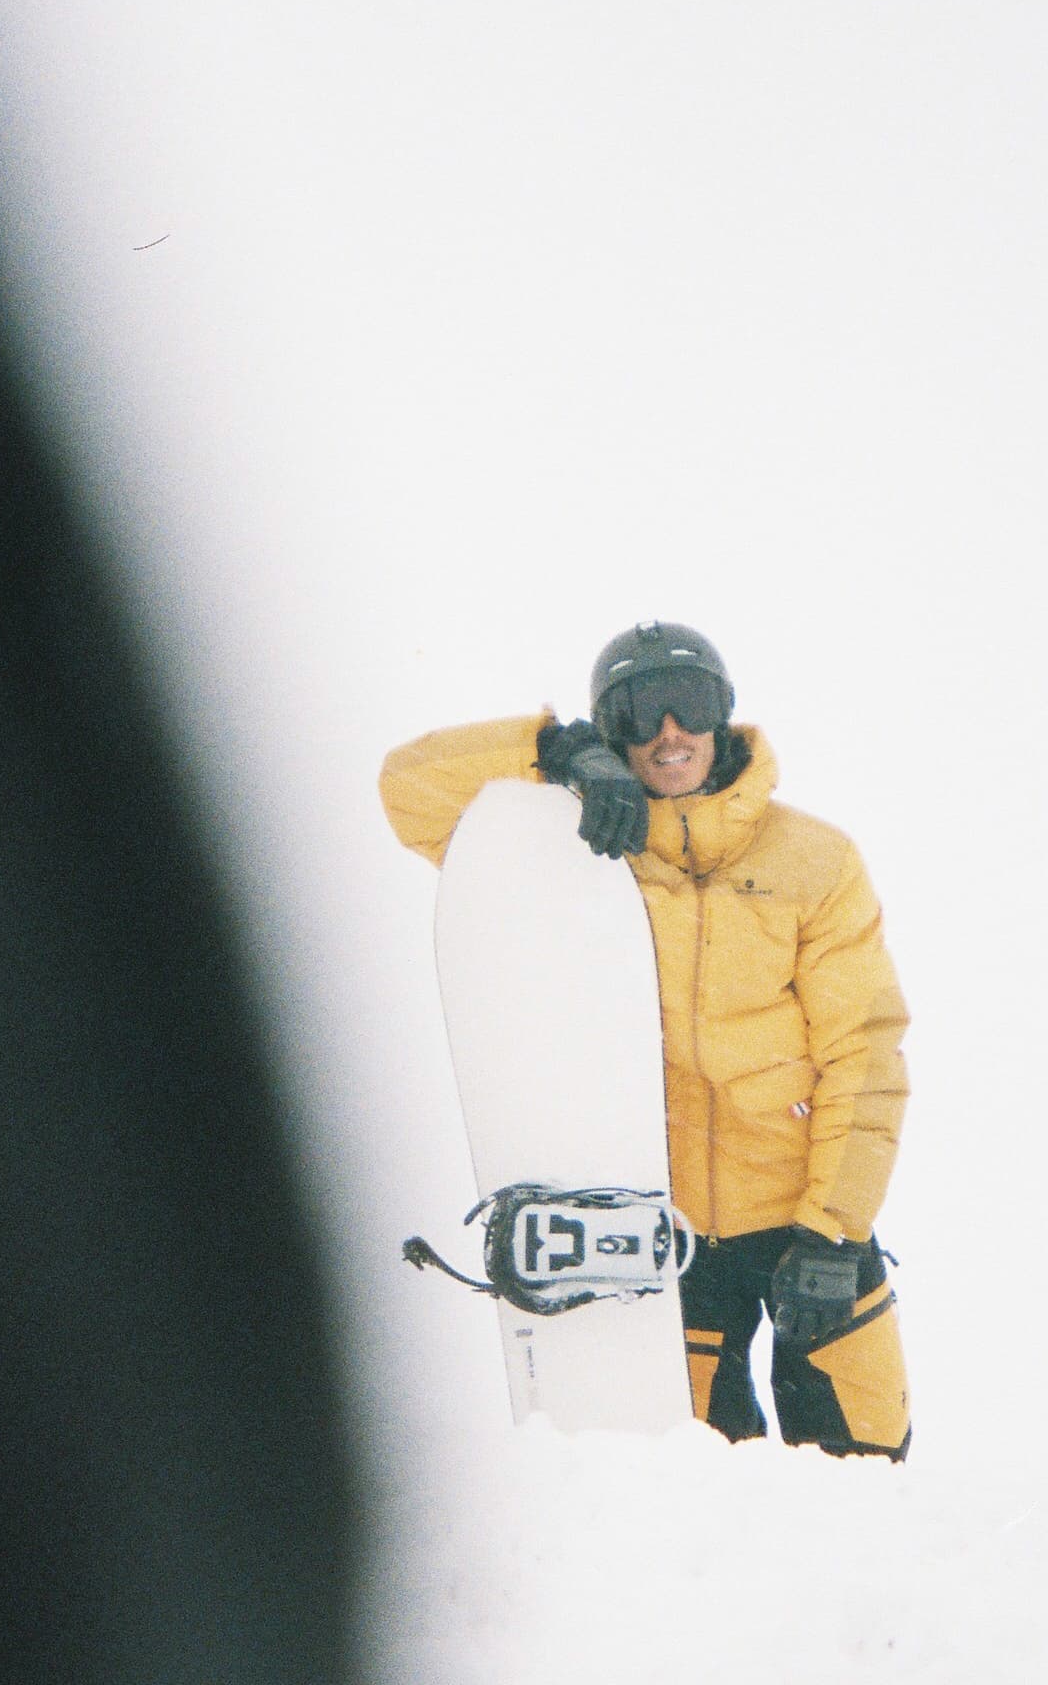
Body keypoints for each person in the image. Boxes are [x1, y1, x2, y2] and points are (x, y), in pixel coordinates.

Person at [381, 622, 911, 1458]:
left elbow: (864, 1050)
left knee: (868, 1468)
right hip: (665, 1240)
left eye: (689, 703)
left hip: (804, 1219)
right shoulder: (567, 846)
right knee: (699, 1490)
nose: (668, 732)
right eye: (635, 713)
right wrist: (556, 753)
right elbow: (404, 788)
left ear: (723, 714)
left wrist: (833, 1232)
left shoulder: (814, 859)